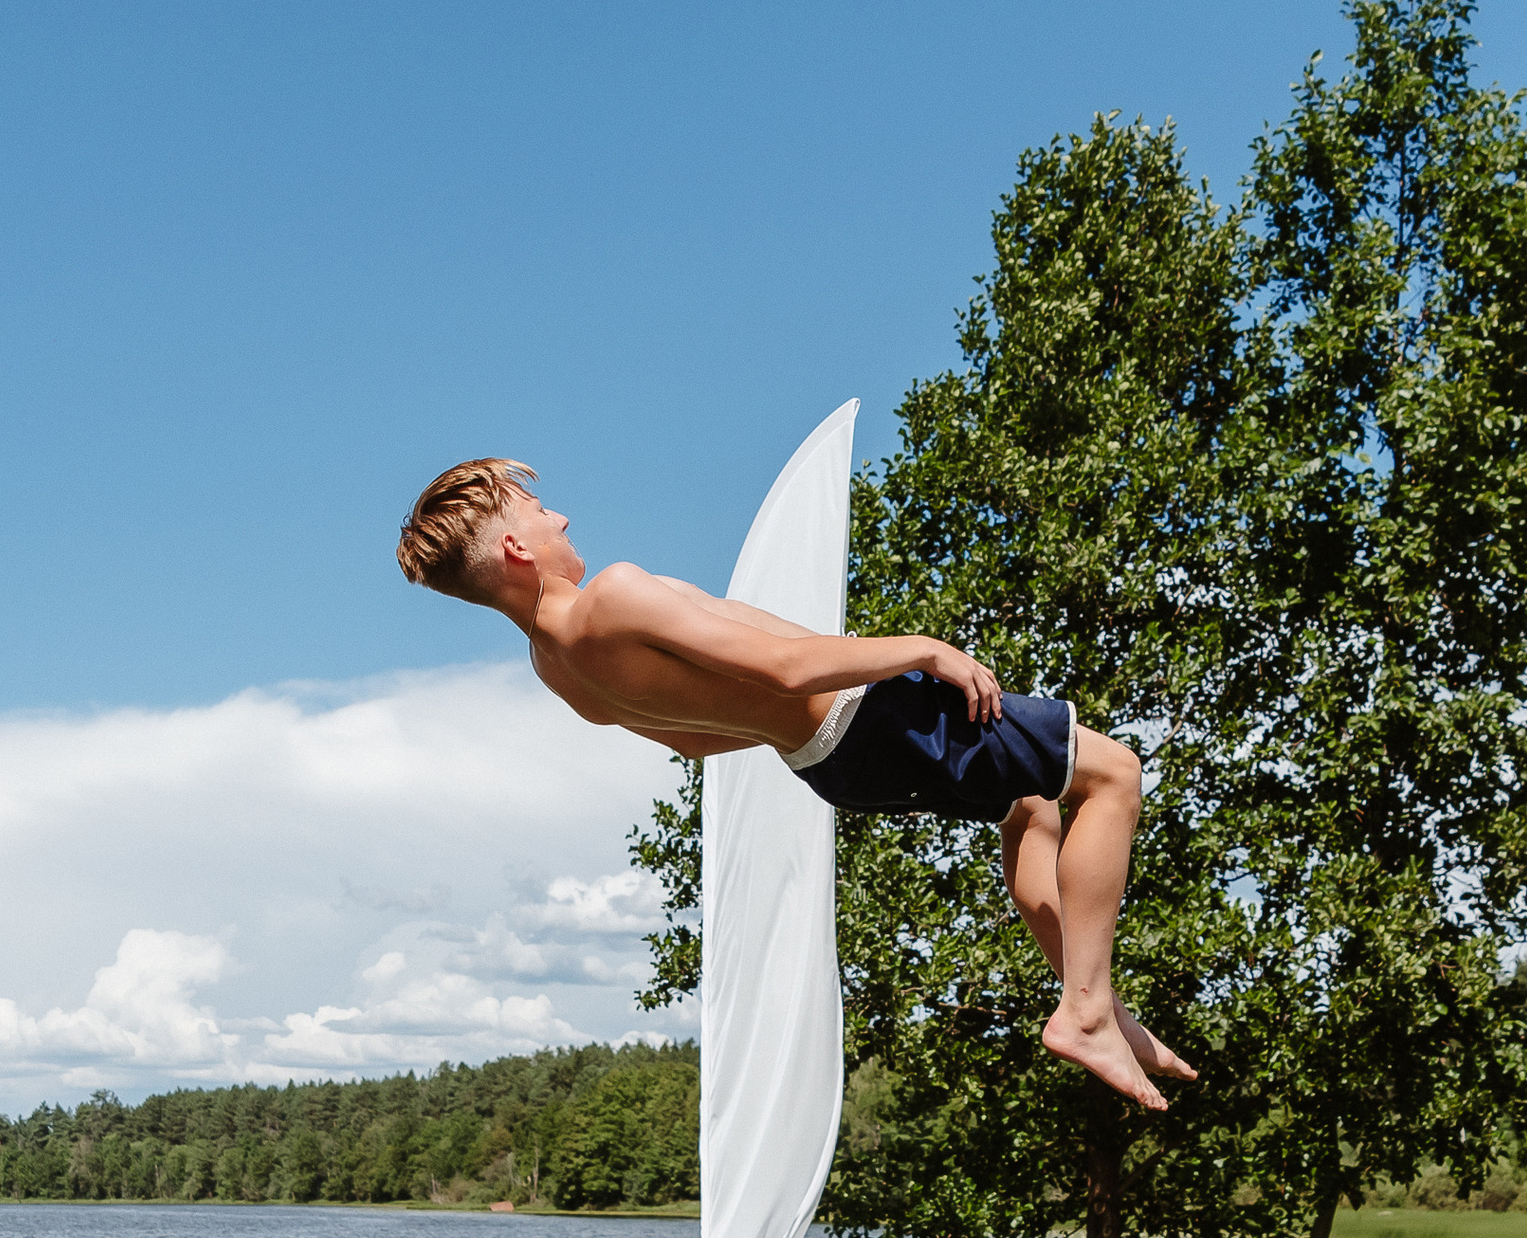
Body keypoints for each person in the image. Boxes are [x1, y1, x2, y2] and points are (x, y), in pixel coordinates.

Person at [395, 459, 1196, 1111]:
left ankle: (1099, 1005)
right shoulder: (611, 594)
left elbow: (696, 741)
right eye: (537, 510)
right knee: (1114, 776)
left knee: (1030, 802)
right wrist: (923, 649)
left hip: (832, 764)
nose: (560, 518)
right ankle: (1086, 1010)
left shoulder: (554, 667)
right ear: (515, 550)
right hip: (872, 717)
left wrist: (799, 730)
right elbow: (783, 665)